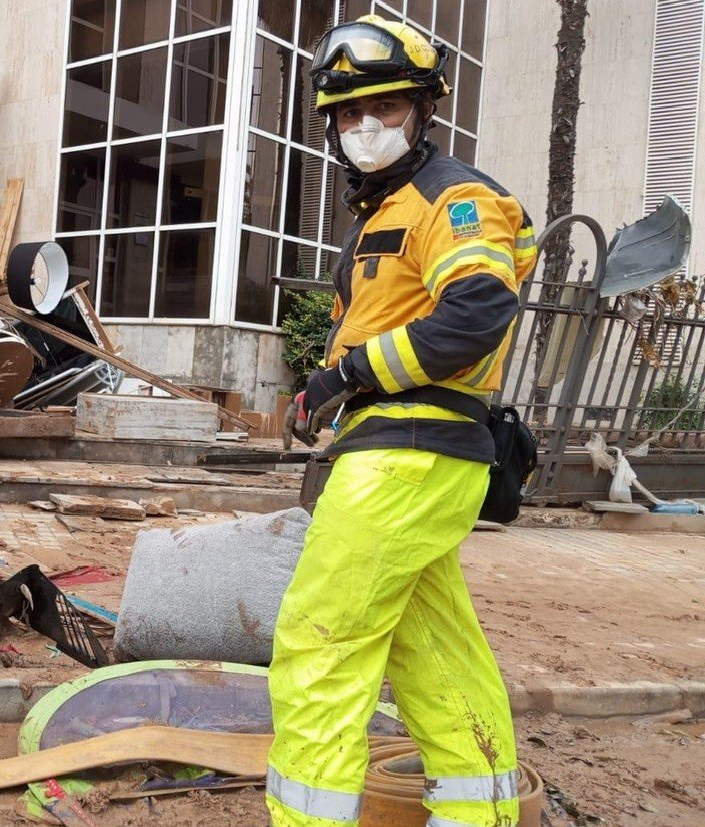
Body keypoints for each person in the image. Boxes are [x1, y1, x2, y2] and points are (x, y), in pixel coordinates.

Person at [270, 15, 537, 827]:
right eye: (348, 114)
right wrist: (323, 386)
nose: (365, 126)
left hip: (410, 454)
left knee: (320, 644)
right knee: (433, 652)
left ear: (424, 110)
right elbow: (389, 325)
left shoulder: (454, 198)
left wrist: (350, 372)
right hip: (409, 454)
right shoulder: (379, 217)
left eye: (384, 107)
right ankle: (481, 813)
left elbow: (477, 311)